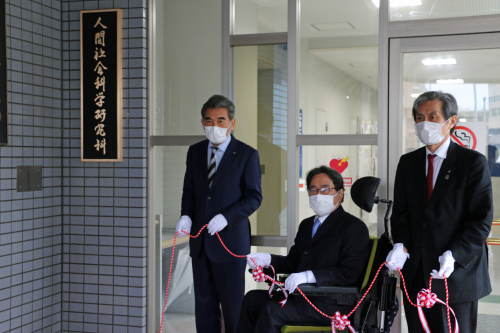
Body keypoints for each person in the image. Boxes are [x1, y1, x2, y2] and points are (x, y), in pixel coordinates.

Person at [386, 91, 493, 333]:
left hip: (457, 275)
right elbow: (401, 214)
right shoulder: (408, 162)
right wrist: (400, 245)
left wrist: (455, 254)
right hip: (416, 275)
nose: (424, 124)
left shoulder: (472, 163)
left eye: (433, 117)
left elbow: (480, 219)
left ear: (451, 121)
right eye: (419, 117)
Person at [237, 166, 370, 333]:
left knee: (272, 312)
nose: (318, 194)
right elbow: (294, 261)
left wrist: (309, 276)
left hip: (329, 302)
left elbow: (350, 272)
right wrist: (268, 260)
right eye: (313, 190)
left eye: (325, 189)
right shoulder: (307, 225)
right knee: (252, 299)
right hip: (302, 296)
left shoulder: (353, 227)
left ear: (340, 194)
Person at [176, 95, 263, 333]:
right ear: (202, 122)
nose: (214, 126)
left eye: (221, 120)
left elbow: (254, 197)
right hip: (201, 243)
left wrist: (227, 217)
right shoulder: (194, 152)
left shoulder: (247, 154)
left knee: (233, 307)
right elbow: (189, 191)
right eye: (209, 120)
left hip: (230, 243)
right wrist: (186, 215)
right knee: (204, 306)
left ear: (232, 123)